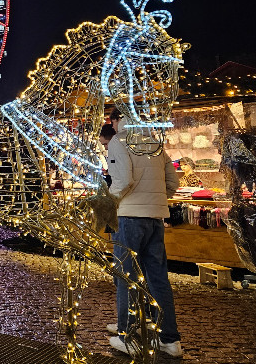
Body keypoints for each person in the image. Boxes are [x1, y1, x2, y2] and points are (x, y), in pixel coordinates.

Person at [106, 116, 182, 357]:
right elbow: (173, 182)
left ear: (118, 119)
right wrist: (155, 200)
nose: (112, 126)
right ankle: (170, 340)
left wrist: (109, 200)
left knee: (126, 277)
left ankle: (127, 336)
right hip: (155, 218)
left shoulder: (119, 141)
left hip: (128, 217)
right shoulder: (154, 143)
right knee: (158, 278)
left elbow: (123, 180)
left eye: (112, 121)